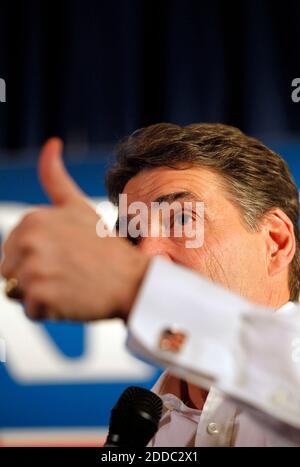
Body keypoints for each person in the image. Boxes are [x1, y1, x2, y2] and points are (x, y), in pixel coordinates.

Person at [1, 123, 300, 446]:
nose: (145, 253)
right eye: (132, 236)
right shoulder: (141, 430)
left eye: (182, 219)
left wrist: (134, 286)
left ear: (276, 241)